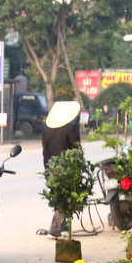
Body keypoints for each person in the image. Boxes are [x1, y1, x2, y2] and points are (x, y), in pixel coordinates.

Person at [39, 100, 82, 238]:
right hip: (67, 166)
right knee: (66, 197)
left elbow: (45, 153)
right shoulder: (70, 129)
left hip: (52, 166)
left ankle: (64, 229)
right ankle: (56, 230)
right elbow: (76, 150)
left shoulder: (46, 131)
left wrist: (47, 171)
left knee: (59, 197)